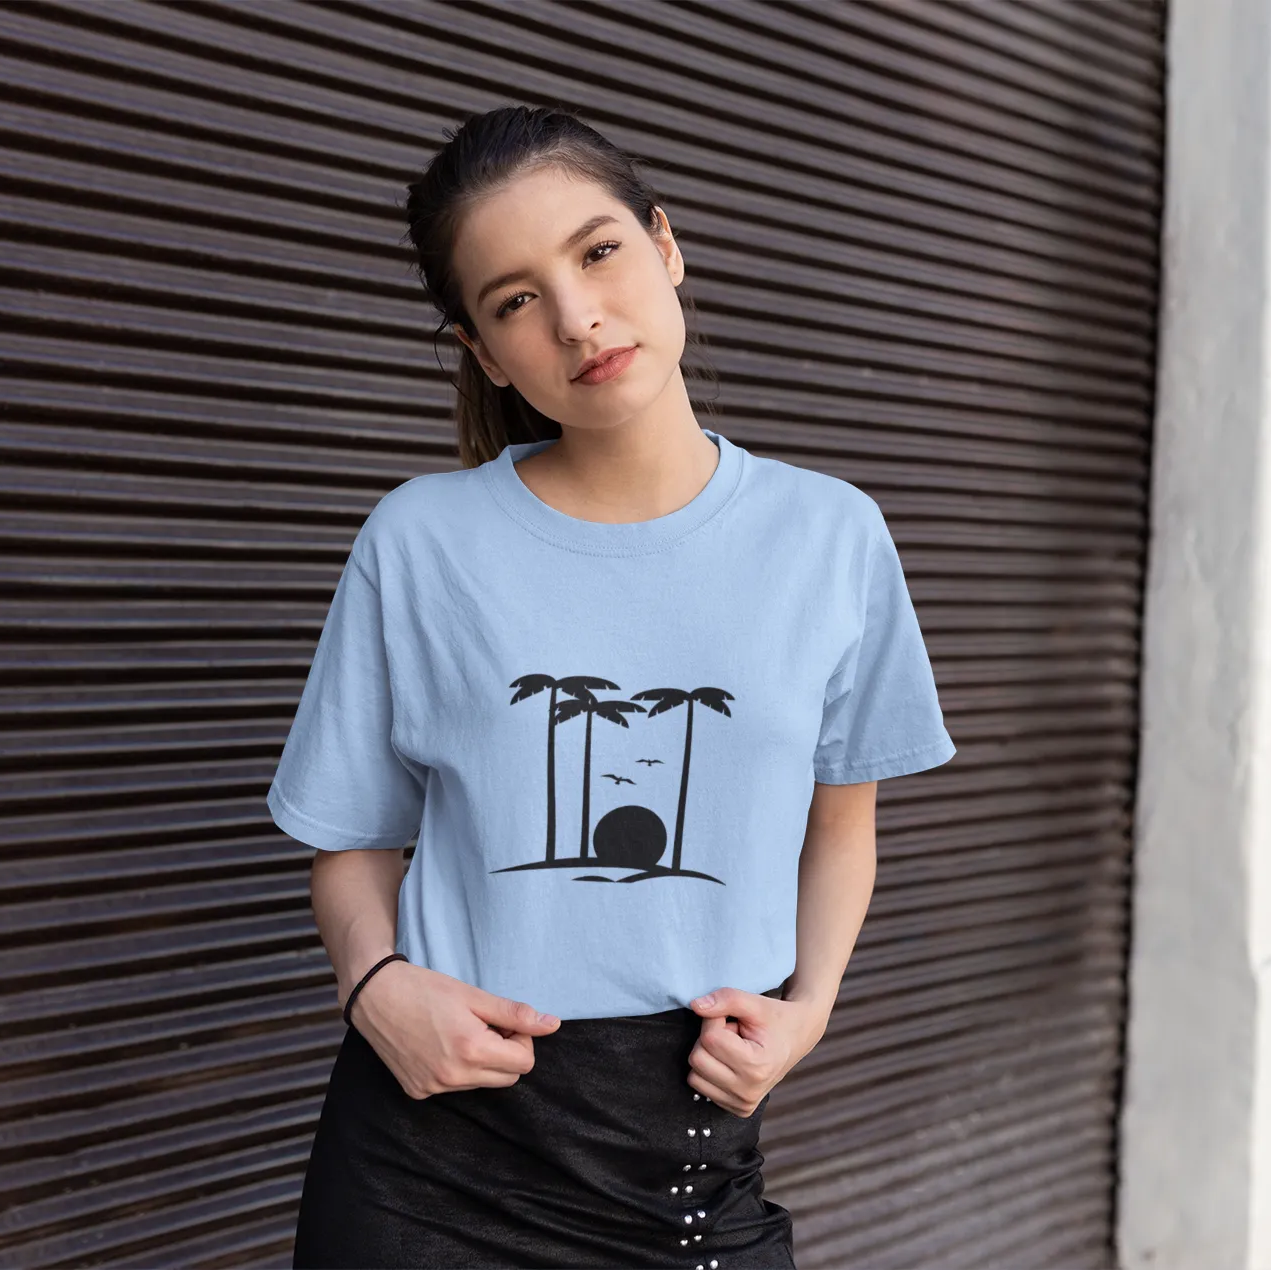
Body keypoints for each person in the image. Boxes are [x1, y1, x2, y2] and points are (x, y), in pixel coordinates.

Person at [266, 103, 956, 1270]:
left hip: (686, 1156)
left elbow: (839, 823)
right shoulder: (420, 541)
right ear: (485, 353)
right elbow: (348, 836)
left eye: (596, 253)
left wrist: (809, 1009)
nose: (577, 318)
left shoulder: (829, 535)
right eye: (514, 300)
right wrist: (373, 985)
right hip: (427, 1163)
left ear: (664, 245)